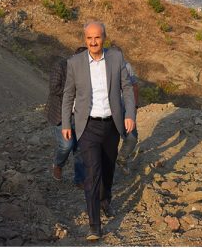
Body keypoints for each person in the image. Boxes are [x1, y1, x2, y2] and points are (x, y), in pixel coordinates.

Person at [62, 22, 136, 241]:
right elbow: (68, 94)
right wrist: (66, 123)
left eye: (97, 37)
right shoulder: (74, 63)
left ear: (104, 38)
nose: (93, 42)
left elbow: (127, 88)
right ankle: (94, 225)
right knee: (92, 173)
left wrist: (130, 114)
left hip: (112, 124)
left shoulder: (116, 58)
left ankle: (105, 200)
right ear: (84, 39)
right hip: (88, 126)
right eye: (89, 38)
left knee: (108, 169)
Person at [45, 48, 86, 186]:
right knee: (66, 145)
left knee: (80, 148)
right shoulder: (61, 66)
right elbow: (54, 88)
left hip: (79, 115)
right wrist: (72, 92)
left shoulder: (90, 70)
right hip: (60, 114)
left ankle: (80, 179)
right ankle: (58, 164)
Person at [117, 60, 140, 172]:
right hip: (109, 112)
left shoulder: (126, 66)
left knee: (132, 138)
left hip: (126, 109)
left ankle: (122, 158)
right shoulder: (100, 66)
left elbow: (134, 86)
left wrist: (135, 106)